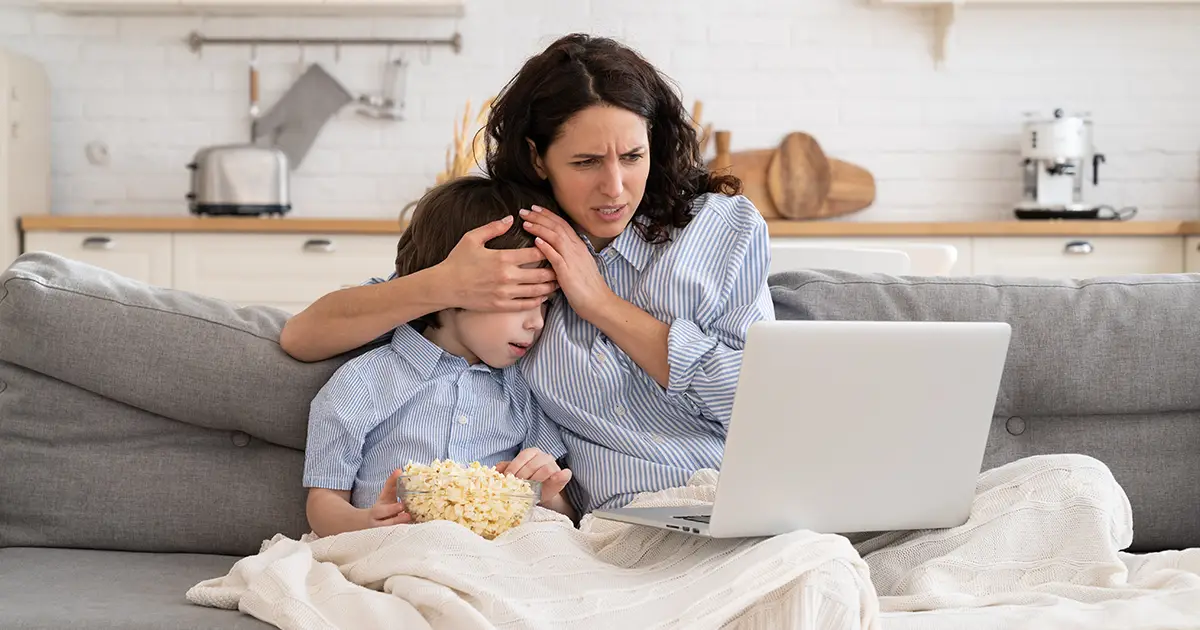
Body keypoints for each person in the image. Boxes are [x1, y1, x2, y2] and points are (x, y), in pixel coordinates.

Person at [284, 33, 774, 515]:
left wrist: (599, 303)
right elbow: (304, 337)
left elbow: (768, 406)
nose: (615, 187)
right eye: (585, 162)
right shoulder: (508, 235)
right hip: (620, 524)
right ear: (538, 157)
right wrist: (447, 284)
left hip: (736, 495)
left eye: (632, 156)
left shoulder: (722, 228)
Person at [302, 176, 575, 538]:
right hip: (389, 547)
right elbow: (322, 503)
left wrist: (548, 493)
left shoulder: (522, 392)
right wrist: (366, 522)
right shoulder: (363, 382)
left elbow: (563, 510)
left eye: (545, 304)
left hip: (493, 561)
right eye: (520, 300)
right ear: (461, 282)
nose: (536, 322)